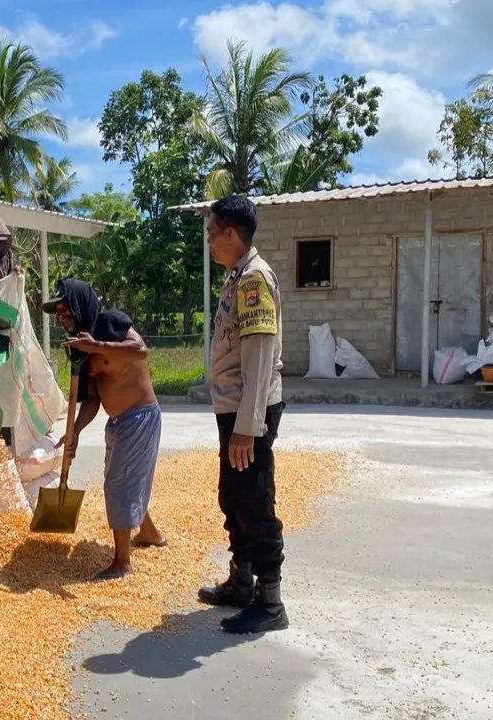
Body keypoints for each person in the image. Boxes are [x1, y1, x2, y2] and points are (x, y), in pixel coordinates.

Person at [197, 194, 288, 634]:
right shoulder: (238, 277)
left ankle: (270, 601)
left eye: (213, 234)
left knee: (254, 499)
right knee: (233, 497)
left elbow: (259, 355)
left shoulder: (253, 281)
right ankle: (242, 582)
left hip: (248, 413)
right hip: (234, 410)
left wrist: (247, 429)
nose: (210, 243)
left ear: (232, 234)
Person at [43, 278, 165, 581]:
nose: (62, 316)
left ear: (80, 303)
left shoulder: (110, 321)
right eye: (58, 313)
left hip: (140, 416)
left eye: (65, 308)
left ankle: (122, 563)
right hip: (118, 423)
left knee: (118, 484)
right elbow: (93, 399)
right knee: (127, 480)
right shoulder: (78, 353)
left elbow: (140, 350)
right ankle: (148, 532)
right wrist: (75, 430)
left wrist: (95, 345)